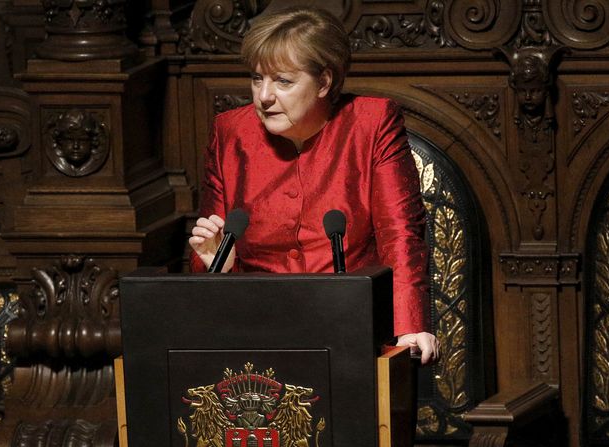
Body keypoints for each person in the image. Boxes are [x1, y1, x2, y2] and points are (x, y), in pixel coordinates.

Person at [188, 6, 439, 364]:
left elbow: (399, 233)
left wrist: (409, 325)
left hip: (353, 333)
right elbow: (208, 254)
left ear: (324, 82)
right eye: (258, 79)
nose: (264, 96)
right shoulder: (230, 132)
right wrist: (216, 269)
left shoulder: (371, 123)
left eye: (283, 81)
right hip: (253, 337)